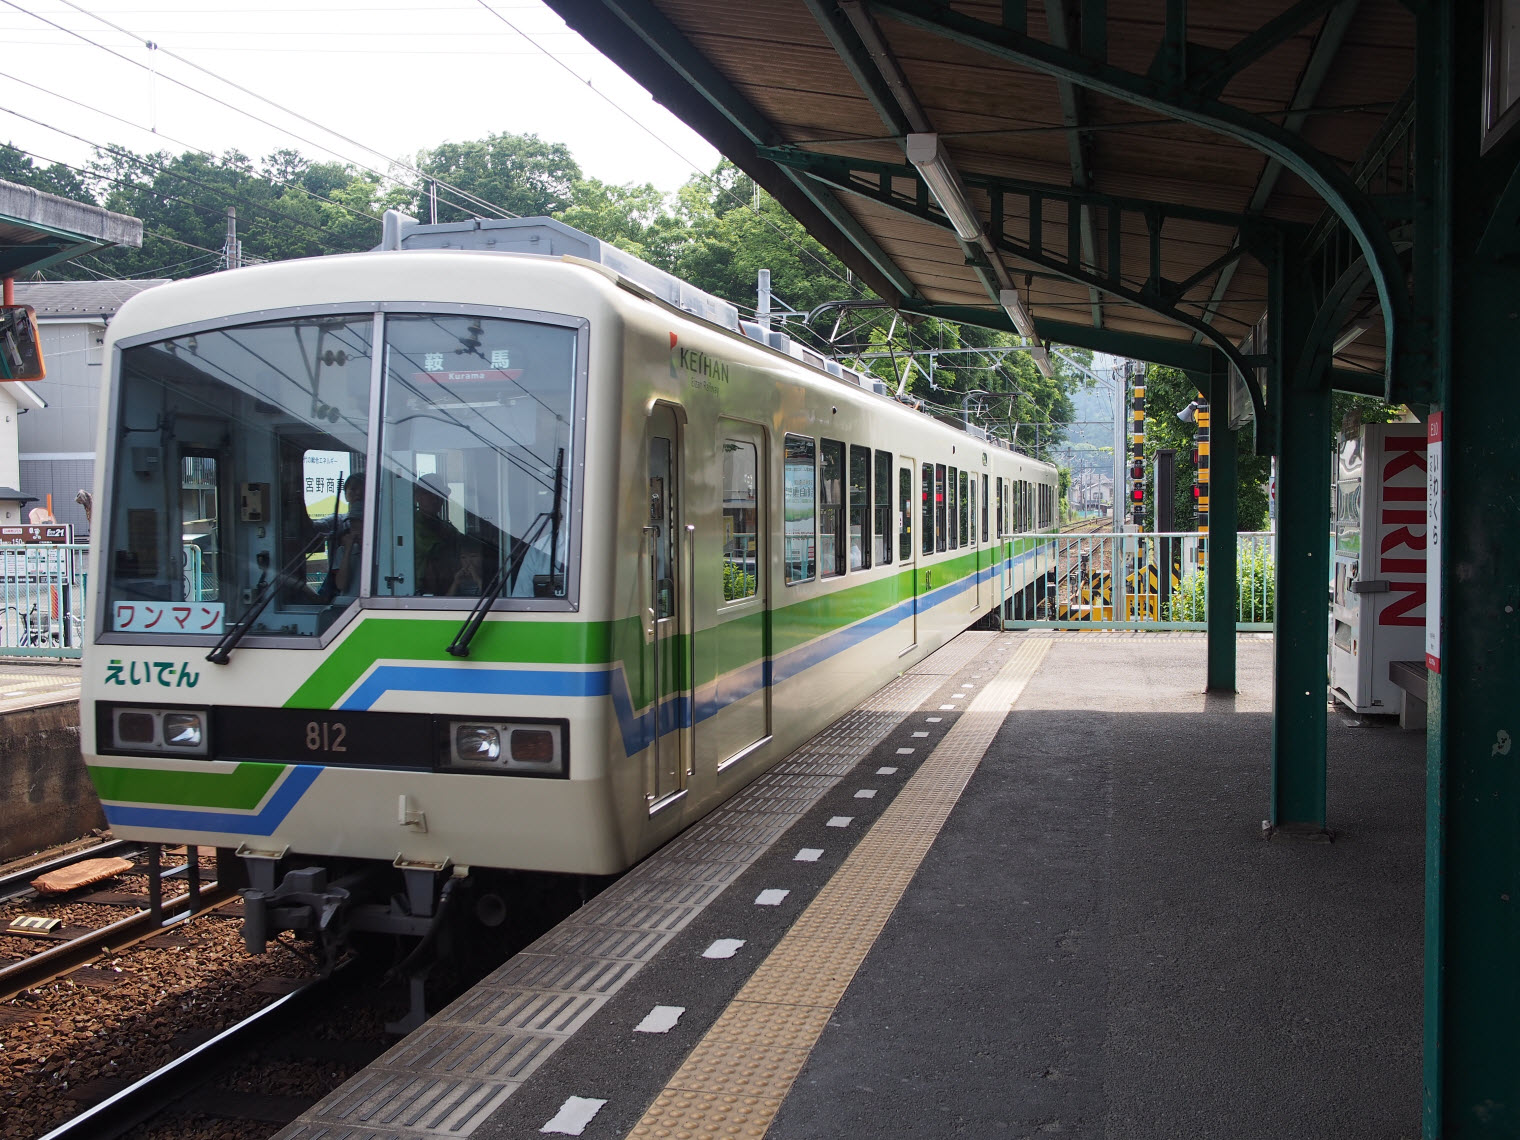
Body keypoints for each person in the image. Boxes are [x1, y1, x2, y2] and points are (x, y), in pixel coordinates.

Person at [414, 472, 464, 595]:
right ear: (417, 497)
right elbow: (435, 550)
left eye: (438, 494)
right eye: (428, 493)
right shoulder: (411, 525)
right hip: (419, 592)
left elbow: (464, 545)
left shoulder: (446, 528)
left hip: (447, 588)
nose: (434, 498)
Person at [319, 472, 365, 603]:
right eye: (353, 489)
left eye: (363, 489)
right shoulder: (336, 522)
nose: (358, 494)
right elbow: (341, 585)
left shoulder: (380, 548)